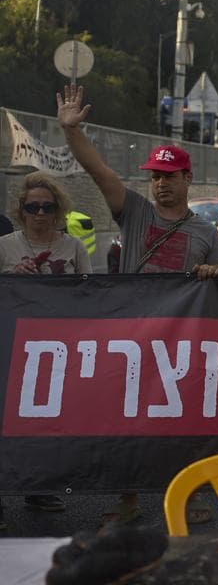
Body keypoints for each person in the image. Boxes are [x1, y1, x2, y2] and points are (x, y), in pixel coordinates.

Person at [57, 83, 218, 525]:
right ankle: (128, 498)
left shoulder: (207, 235)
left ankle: (188, 495)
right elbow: (98, 171)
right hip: (132, 337)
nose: (159, 183)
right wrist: (73, 132)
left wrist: (213, 272)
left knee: (182, 424)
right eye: (154, 176)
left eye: (168, 177)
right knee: (128, 420)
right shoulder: (133, 211)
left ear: (187, 179)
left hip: (181, 341)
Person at [0, 173, 93, 519]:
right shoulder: (5, 246)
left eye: (47, 207)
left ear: (58, 211)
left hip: (58, 349)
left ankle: (37, 488)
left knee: (44, 420)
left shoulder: (74, 246)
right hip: (12, 346)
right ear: (21, 210)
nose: (40, 213)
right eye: (32, 207)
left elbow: (92, 291)